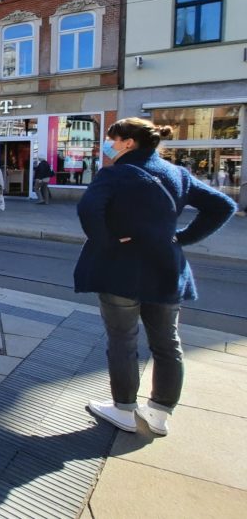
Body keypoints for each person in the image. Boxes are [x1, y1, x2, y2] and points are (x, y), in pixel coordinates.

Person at [75, 118, 235, 436]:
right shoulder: (176, 174)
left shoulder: (114, 175)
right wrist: (182, 237)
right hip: (166, 269)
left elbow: (88, 210)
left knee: (123, 341)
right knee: (167, 344)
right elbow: (222, 205)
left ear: (128, 143)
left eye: (112, 139)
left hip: (121, 270)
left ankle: (123, 409)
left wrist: (106, 241)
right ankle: (160, 413)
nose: (108, 144)